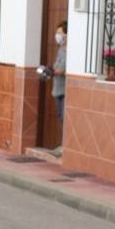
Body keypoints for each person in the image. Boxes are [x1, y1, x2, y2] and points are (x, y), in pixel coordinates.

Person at [47, 20, 67, 152]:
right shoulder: (60, 49)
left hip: (65, 89)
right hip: (58, 88)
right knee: (60, 117)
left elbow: (63, 68)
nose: (57, 36)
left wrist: (54, 70)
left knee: (65, 117)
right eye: (57, 33)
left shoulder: (70, 51)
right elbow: (57, 66)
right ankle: (63, 144)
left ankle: (65, 145)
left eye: (60, 33)